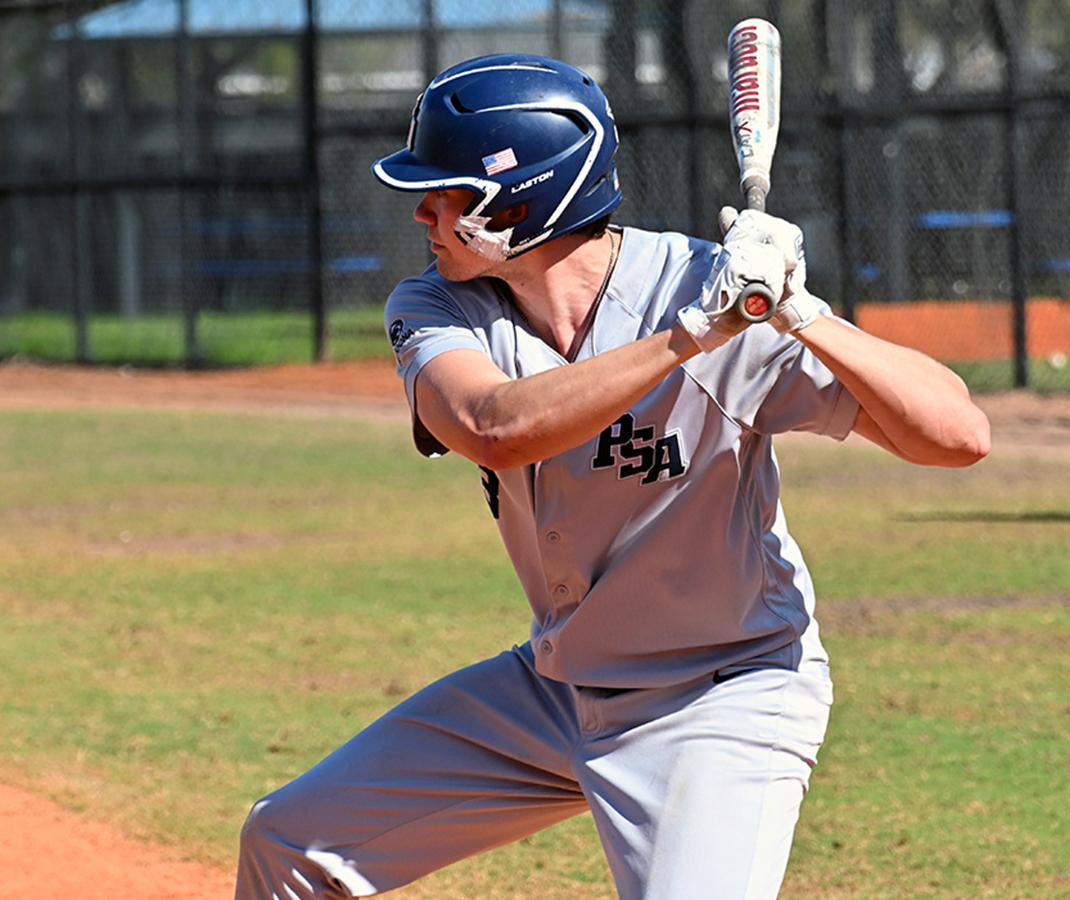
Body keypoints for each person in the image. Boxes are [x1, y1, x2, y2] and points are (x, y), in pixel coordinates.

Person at [235, 53, 990, 899]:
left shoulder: (714, 288)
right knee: (288, 842)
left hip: (720, 696)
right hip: (557, 687)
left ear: (518, 206)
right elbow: (496, 427)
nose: (423, 211)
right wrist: (697, 335)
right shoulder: (441, 305)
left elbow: (958, 436)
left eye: (447, 193)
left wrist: (802, 314)